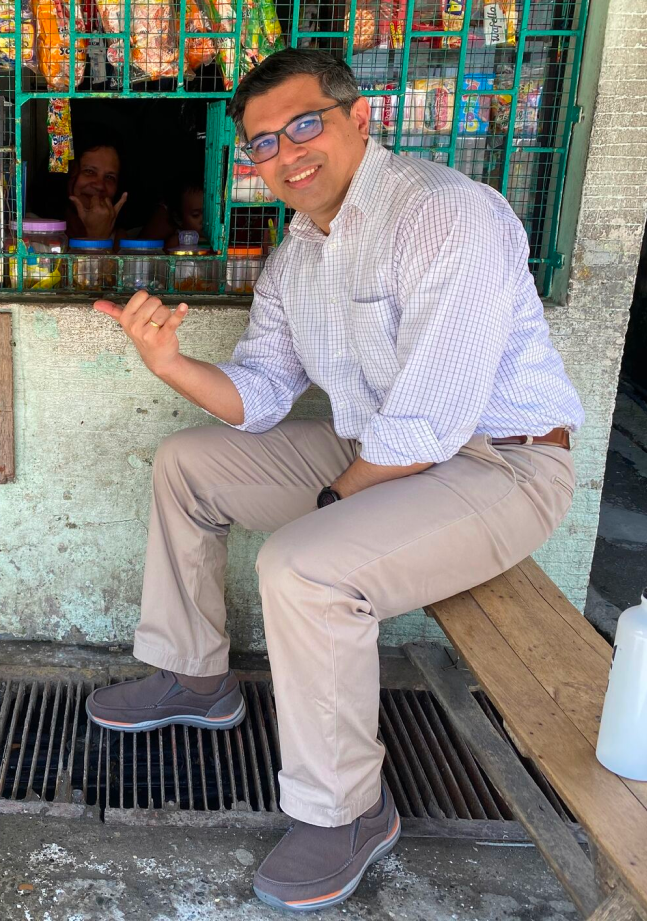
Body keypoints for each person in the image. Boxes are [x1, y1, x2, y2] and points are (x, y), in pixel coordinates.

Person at [86, 48, 582, 913]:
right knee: (188, 462)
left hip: (503, 462)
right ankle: (194, 677)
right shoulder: (299, 253)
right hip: (380, 446)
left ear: (362, 118)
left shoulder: (444, 214)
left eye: (304, 124)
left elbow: (427, 421)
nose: (286, 152)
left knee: (305, 567)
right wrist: (168, 364)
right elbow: (263, 392)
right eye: (263, 142)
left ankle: (348, 811)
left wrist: (328, 508)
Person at [65, 135, 128, 241]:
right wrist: (96, 238)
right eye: (89, 171)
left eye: (109, 177)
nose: (100, 186)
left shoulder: (120, 240)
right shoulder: (33, 231)